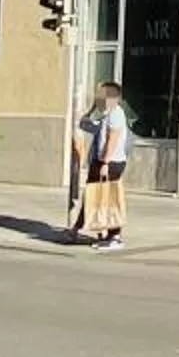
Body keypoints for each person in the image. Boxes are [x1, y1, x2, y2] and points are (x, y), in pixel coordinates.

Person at [76, 83, 131, 251]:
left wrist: (105, 163)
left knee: (110, 198)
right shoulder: (105, 116)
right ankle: (104, 233)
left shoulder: (116, 114)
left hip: (112, 162)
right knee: (97, 197)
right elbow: (84, 124)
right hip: (102, 161)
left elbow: (112, 140)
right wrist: (93, 108)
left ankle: (115, 236)